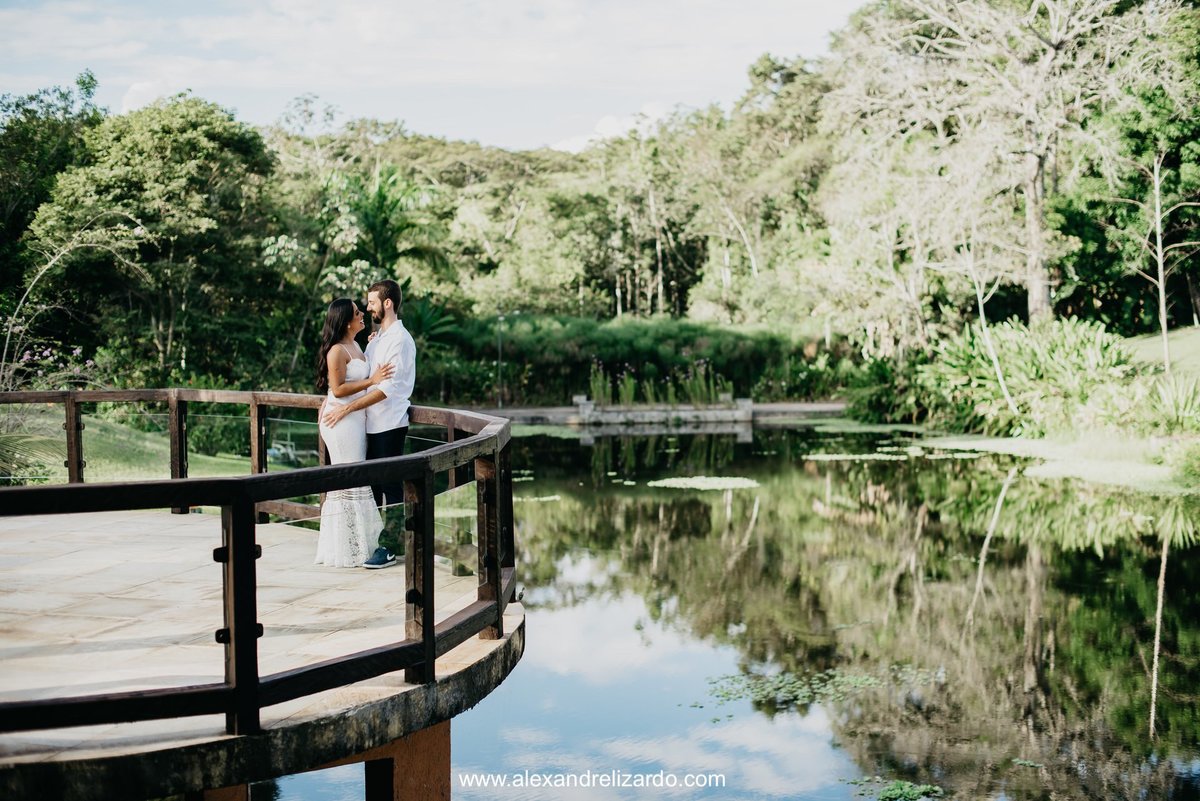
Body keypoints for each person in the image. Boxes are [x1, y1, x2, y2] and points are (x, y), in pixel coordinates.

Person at [322, 278, 416, 569]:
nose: (367, 307)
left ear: (387, 304)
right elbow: (360, 378)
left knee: (391, 486)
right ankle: (368, 542)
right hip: (367, 425)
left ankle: (391, 545)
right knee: (371, 486)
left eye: (372, 302)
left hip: (389, 423)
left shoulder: (400, 341)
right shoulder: (377, 340)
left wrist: (346, 408)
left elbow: (385, 388)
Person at [314, 298, 394, 568]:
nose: (363, 314)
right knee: (349, 478)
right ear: (347, 320)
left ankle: (358, 544)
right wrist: (372, 380)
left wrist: (374, 342)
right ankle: (345, 548)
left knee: (356, 479)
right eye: (358, 313)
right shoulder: (337, 350)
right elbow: (337, 389)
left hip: (355, 418)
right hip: (341, 421)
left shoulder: (357, 345)